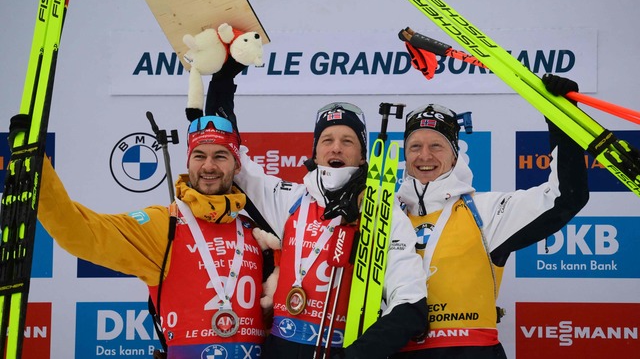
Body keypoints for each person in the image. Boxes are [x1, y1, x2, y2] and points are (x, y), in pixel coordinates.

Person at [35, 115, 268, 359]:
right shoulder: (164, 223)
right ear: (188, 162)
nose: (209, 166)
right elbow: (82, 232)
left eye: (220, 156)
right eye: (199, 156)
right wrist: (38, 170)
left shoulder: (255, 231)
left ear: (237, 165)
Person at [391, 73, 590, 358]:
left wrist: (561, 118)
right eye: (415, 146)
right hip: (400, 350)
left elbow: (564, 198)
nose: (425, 155)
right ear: (405, 155)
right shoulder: (386, 215)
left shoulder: (486, 211)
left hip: (471, 351)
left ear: (455, 155)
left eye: (436, 145)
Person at [233, 102, 429, 359]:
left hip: (340, 347)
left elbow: (411, 304)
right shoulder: (291, 199)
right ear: (315, 152)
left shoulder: (383, 214)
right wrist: (223, 84)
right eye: (327, 140)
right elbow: (236, 161)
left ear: (362, 156)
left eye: (347, 141)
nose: (336, 147)